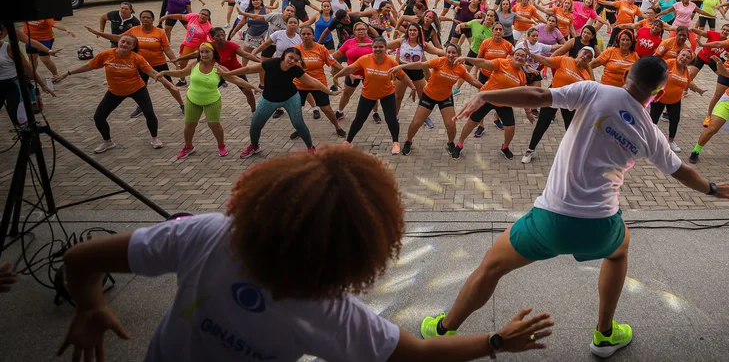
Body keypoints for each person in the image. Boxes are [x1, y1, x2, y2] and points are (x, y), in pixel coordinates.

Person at [56, 146, 555, 361]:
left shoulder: (207, 235)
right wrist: (495, 342)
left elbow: (80, 260)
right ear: (362, 253)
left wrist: (91, 306)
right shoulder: (334, 316)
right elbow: (420, 353)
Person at [423, 56, 729, 357]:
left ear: (627, 74)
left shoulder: (593, 91)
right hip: (602, 225)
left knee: (491, 268)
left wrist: (489, 95)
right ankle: (605, 334)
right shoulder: (651, 132)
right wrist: (713, 189)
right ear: (659, 92)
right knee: (619, 251)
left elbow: (538, 96)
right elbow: (681, 171)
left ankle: (443, 330)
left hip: (549, 221)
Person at [54, 34, 178, 153]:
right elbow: (88, 66)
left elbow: (153, 73)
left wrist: (171, 86)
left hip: (137, 89)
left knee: (149, 113)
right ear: (118, 42)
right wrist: (67, 73)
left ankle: (155, 138)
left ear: (133, 46)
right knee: (99, 116)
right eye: (123, 41)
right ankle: (107, 141)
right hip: (115, 91)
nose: (124, 44)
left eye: (128, 43)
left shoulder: (137, 58)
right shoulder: (106, 54)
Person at [225, 48, 336, 158]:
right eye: (290, 57)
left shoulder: (296, 69)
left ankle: (311, 147)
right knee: (255, 125)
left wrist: (329, 92)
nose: (292, 61)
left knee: (298, 123)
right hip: (268, 100)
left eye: (296, 60)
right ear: (284, 55)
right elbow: (248, 69)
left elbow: (313, 81)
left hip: (290, 98)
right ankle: (254, 146)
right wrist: (229, 73)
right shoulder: (271, 63)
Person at [162, 42, 256, 159]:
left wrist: (254, 87)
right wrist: (165, 72)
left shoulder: (219, 68)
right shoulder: (194, 64)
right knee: (189, 125)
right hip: (192, 99)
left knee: (214, 125)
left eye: (207, 52)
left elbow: (236, 80)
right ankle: (188, 147)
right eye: (202, 52)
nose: (204, 54)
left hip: (212, 101)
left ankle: (221, 146)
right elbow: (181, 73)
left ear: (213, 53)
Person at [85, 10, 185, 115]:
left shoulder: (160, 32)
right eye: (143, 17)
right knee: (141, 88)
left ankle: (182, 104)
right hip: (140, 65)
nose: (145, 19)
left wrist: (176, 63)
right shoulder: (134, 30)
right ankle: (141, 107)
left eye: (148, 17)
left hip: (158, 64)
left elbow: (167, 49)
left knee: (169, 85)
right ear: (140, 19)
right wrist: (99, 33)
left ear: (153, 19)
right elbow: (118, 38)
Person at [337, 37, 417, 155]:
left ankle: (395, 142)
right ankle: (348, 141)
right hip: (368, 94)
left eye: (381, 47)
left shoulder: (391, 62)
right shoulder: (365, 59)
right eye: (375, 47)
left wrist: (413, 87)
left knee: (391, 119)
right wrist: (335, 76)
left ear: (385, 48)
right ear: (372, 48)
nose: (378, 49)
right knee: (359, 119)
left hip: (387, 94)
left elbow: (402, 76)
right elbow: (350, 68)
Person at [521, 45, 596, 163]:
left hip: (569, 103)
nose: (585, 56)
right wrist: (531, 54)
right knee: (542, 124)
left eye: (589, 56)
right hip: (553, 96)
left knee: (571, 128)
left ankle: (574, 154)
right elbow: (545, 60)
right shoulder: (564, 60)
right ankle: (530, 150)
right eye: (584, 53)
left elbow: (589, 91)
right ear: (578, 52)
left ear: (589, 61)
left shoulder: (586, 76)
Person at [453, 48, 529, 160]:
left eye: (522, 56)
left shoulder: (522, 76)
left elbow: (522, 95)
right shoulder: (502, 62)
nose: (519, 57)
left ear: (525, 60)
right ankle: (459, 145)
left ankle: (505, 147)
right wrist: (466, 58)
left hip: (504, 103)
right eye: (517, 54)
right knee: (472, 122)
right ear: (512, 56)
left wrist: (528, 111)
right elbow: (483, 62)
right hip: (487, 97)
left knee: (510, 128)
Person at [649, 48, 705, 152]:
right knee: (653, 120)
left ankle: (671, 142)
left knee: (674, 120)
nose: (684, 58)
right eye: (683, 55)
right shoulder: (669, 63)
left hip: (675, 100)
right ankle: (649, 141)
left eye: (688, 58)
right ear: (678, 55)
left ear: (690, 62)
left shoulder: (685, 71)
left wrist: (698, 90)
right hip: (659, 97)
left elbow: (689, 82)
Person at [0, 23, 55, 127]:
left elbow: (31, 42)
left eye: (2, 29)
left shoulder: (13, 36)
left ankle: (35, 103)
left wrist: (48, 50)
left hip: (15, 72)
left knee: (27, 85)